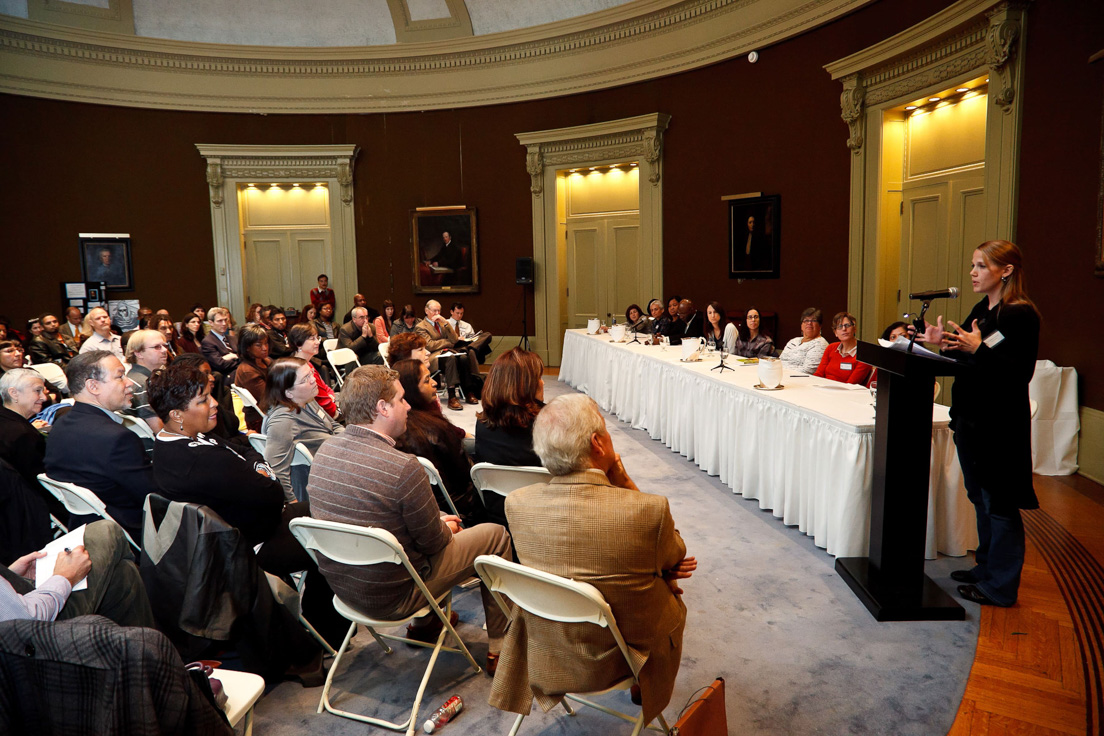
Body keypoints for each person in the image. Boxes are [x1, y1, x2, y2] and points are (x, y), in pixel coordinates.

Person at [489, 393, 695, 724]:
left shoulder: (516, 503)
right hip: (626, 655)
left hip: (550, 649)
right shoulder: (647, 510)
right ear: (598, 444)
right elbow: (677, 552)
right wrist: (663, 571)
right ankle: (645, 684)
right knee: (669, 593)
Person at [307, 365, 513, 673]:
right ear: (382, 407)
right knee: (494, 535)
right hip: (395, 595)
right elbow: (433, 543)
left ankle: (427, 623)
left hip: (345, 589)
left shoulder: (325, 451)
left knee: (428, 519)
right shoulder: (404, 467)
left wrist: (439, 522)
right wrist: (445, 527)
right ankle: (502, 646)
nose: (407, 406)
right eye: (402, 400)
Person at [147, 361, 347, 646]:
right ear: (177, 414)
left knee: (328, 513)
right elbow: (271, 490)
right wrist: (260, 468)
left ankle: (314, 623)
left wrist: (256, 465)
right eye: (203, 400)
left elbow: (242, 448)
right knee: (331, 535)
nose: (215, 404)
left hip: (252, 526)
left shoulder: (173, 442)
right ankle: (326, 633)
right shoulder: (196, 459)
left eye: (210, 395)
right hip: (246, 546)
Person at [916, 240, 1041, 608]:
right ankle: (986, 568)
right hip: (971, 422)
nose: (973, 272)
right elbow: (973, 364)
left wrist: (977, 349)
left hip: (999, 427)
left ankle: (1001, 586)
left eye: (981, 266)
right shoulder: (982, 310)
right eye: (973, 265)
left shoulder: (1019, 314)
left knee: (1000, 504)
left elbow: (1019, 373)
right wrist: (944, 346)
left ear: (1006, 271)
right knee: (980, 499)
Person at [44, 351, 155, 542]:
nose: (129, 383)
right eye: (120, 376)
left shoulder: (59, 426)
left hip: (83, 528)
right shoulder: (117, 438)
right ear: (93, 386)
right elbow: (153, 496)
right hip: (130, 531)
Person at [0, 519, 155, 626]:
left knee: (122, 574)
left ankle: (147, 657)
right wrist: (64, 578)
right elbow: (25, 619)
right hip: (39, 629)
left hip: (25, 600)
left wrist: (11, 576)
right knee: (107, 531)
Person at [392, 358, 482, 522]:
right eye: (427, 381)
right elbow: (464, 476)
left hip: (423, 510)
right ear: (412, 389)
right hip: (459, 508)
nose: (435, 383)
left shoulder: (394, 430)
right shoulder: (436, 429)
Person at [473, 348, 545, 527]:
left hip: (498, 515)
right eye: (538, 378)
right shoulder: (549, 425)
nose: (542, 383)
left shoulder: (483, 423)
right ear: (528, 386)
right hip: (543, 517)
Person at [261, 357, 343, 500]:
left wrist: (352, 442)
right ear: (289, 393)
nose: (313, 380)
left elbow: (333, 426)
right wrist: (293, 503)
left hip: (337, 464)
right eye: (305, 379)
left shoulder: (306, 399)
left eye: (311, 373)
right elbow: (275, 468)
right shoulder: (283, 420)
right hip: (323, 482)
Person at [416, 299, 478, 410]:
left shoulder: (442, 322)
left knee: (464, 357)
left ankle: (468, 391)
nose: (437, 314)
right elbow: (430, 345)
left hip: (448, 352)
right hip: (433, 356)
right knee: (451, 359)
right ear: (426, 311)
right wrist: (448, 342)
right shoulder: (421, 326)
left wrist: (446, 323)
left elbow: (454, 339)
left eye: (439, 311)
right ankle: (452, 395)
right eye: (434, 311)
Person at [0, 369, 49, 490]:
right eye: (38, 391)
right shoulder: (23, 435)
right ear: (14, 393)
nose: (44, 398)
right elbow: (39, 483)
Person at [123, 329, 169, 433]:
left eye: (164, 346)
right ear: (138, 353)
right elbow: (158, 429)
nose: (164, 350)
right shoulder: (143, 383)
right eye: (157, 347)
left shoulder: (135, 377)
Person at [289, 323, 339, 419]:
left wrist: (331, 396)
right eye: (312, 339)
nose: (318, 342)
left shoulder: (307, 363)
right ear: (298, 344)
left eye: (317, 338)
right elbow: (324, 403)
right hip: (319, 416)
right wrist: (333, 405)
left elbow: (325, 387)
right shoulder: (299, 369)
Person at [812, 312, 872, 385]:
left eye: (847, 325)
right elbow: (818, 375)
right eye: (840, 326)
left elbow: (851, 384)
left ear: (854, 329)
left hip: (845, 393)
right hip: (823, 389)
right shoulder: (831, 348)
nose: (844, 329)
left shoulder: (865, 354)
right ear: (835, 333)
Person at [233, 324, 271, 432]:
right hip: (259, 419)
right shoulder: (247, 370)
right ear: (247, 347)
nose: (265, 348)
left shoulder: (266, 361)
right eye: (259, 345)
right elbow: (267, 398)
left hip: (271, 411)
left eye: (266, 343)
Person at [779, 308, 829, 374]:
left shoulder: (820, 344)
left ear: (820, 326)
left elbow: (808, 371)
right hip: (780, 376)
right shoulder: (793, 341)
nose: (809, 323)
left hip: (801, 380)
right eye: (806, 320)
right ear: (801, 325)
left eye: (813, 320)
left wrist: (782, 372)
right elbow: (779, 362)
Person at [200, 306, 239, 378]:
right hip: (225, 378)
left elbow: (243, 357)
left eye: (225, 320)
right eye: (220, 321)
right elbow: (220, 365)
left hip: (239, 373)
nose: (224, 324)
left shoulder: (233, 339)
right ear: (211, 323)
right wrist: (237, 358)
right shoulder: (208, 342)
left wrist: (230, 357)